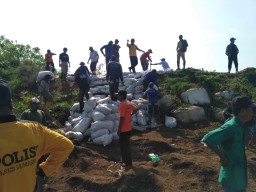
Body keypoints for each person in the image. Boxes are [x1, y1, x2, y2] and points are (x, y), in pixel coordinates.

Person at [0, 79, 74, 192]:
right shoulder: (34, 126)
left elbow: (44, 122)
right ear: (10, 104)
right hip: (33, 139)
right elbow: (66, 145)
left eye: (37, 104)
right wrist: (43, 171)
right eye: (34, 104)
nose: (36, 106)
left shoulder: (40, 116)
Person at [201, 96, 256, 192]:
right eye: (251, 110)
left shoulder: (241, 126)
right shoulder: (231, 126)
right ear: (243, 111)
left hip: (239, 176)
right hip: (231, 176)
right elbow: (208, 139)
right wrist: (223, 158)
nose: (253, 113)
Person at [116, 90, 138, 168]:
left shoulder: (122, 105)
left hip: (124, 129)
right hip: (128, 128)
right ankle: (125, 161)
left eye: (118, 95)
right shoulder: (128, 103)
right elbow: (136, 109)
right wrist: (130, 115)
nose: (117, 96)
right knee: (126, 145)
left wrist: (119, 130)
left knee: (124, 146)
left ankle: (127, 163)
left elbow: (122, 118)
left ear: (122, 96)